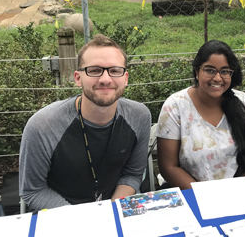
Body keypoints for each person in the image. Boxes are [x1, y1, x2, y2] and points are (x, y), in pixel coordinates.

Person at [19, 34, 151, 210]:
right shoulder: (42, 126)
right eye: (94, 70)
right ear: (78, 78)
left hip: (114, 211)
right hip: (62, 217)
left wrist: (110, 212)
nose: (105, 79)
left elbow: (133, 174)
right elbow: (33, 190)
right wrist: (84, 221)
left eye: (115, 70)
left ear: (125, 78)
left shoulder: (140, 116)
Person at [156, 40, 245, 190]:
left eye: (225, 71)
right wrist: (207, 196)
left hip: (237, 194)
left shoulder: (244, 102)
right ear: (197, 72)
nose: (217, 78)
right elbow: (168, 167)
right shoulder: (175, 106)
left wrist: (239, 191)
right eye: (210, 70)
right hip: (190, 193)